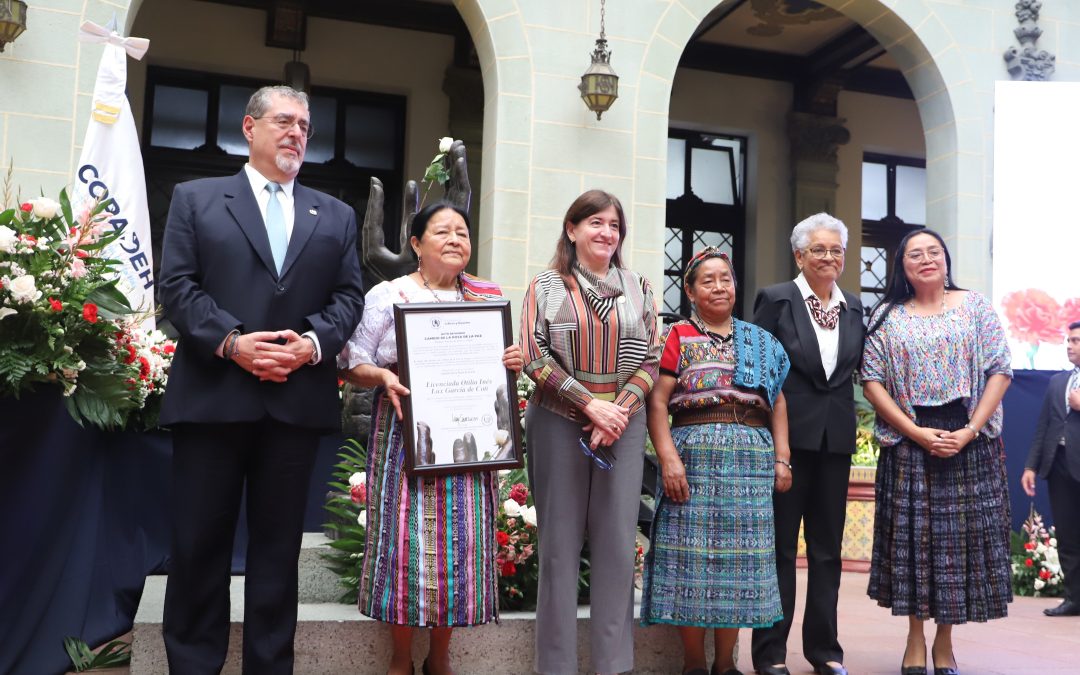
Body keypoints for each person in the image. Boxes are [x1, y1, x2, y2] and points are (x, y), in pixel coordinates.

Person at [157, 85, 366, 673]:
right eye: (284, 121)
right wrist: (231, 341)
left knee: (277, 558)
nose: (297, 132)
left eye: (305, 125)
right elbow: (176, 287)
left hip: (294, 405)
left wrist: (312, 344)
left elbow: (350, 296)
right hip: (213, 400)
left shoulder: (337, 215)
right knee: (199, 551)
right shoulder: (196, 199)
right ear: (249, 128)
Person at [338, 202, 524, 675]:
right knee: (404, 545)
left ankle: (440, 657)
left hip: (468, 439)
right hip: (406, 435)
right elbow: (349, 361)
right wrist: (382, 375)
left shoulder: (485, 299)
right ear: (417, 244)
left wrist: (511, 362)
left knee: (461, 547)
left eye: (463, 232)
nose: (456, 239)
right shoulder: (389, 294)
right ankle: (400, 658)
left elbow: (500, 369)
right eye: (442, 232)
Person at [521, 189, 660, 675]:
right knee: (558, 548)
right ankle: (555, 667)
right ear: (572, 229)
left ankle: (613, 665)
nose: (606, 233)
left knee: (619, 547)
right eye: (596, 223)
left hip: (623, 424)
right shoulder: (547, 285)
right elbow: (534, 356)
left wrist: (616, 412)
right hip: (558, 421)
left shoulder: (639, 285)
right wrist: (589, 406)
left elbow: (651, 359)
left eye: (614, 225)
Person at [861, 229, 1012, 675]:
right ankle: (914, 636)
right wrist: (914, 432)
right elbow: (871, 380)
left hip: (968, 440)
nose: (926, 259)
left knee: (956, 548)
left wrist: (968, 430)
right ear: (902, 266)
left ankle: (944, 642)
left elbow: (1000, 371)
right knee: (913, 544)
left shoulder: (975, 307)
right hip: (910, 440)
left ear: (945, 260)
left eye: (934, 252)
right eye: (915, 254)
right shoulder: (886, 316)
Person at [642, 248, 791, 675]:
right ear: (690, 290)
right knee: (689, 561)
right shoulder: (678, 336)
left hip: (751, 462)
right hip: (693, 459)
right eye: (707, 280)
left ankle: (724, 665)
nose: (719, 286)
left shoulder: (760, 341)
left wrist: (783, 460)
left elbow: (777, 402)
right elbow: (658, 402)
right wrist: (668, 459)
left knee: (740, 566)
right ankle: (693, 664)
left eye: (725, 278)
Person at [750, 213, 864, 675]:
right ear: (799, 254)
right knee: (778, 549)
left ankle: (825, 651)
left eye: (836, 249)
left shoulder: (854, 306)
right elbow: (758, 375)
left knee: (826, 551)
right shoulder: (776, 299)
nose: (829, 257)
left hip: (835, 440)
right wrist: (772, 445)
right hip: (787, 441)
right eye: (819, 249)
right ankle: (770, 653)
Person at [1021, 320, 1080, 617]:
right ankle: (1074, 599)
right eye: (1068, 340)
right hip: (1058, 465)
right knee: (1068, 534)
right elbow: (1043, 425)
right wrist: (1031, 466)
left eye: (1076, 341)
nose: (1069, 345)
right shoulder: (1058, 381)